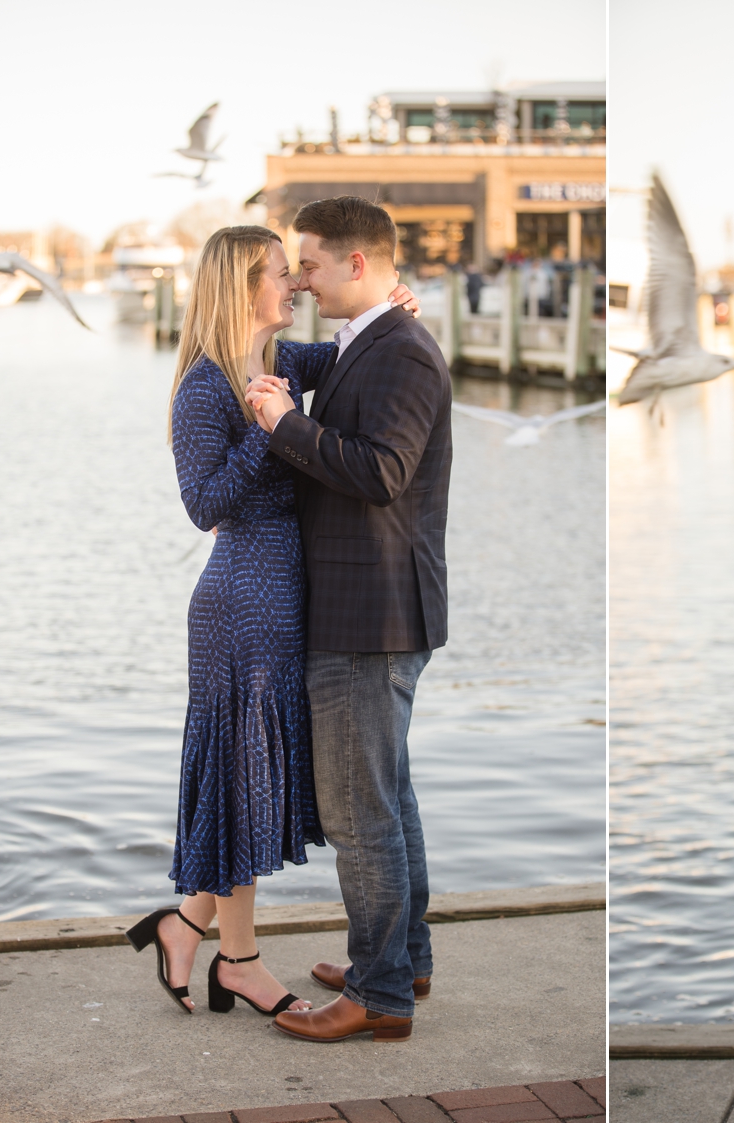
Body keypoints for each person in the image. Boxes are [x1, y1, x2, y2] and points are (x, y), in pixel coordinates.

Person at [126, 225, 418, 1020]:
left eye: (297, 273)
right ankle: (239, 960)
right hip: (241, 605)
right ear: (242, 284)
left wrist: (392, 308)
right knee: (240, 785)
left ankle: (189, 929)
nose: (294, 285)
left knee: (248, 786)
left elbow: (352, 352)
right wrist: (268, 432)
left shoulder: (282, 362)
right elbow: (202, 506)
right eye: (282, 275)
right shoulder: (203, 387)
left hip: (290, 604)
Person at [243, 195, 452, 1045]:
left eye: (311, 266)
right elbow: (294, 357)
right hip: (376, 604)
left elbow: (382, 472)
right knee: (388, 797)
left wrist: (282, 425)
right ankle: (405, 958)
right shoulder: (366, 342)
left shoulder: (399, 352)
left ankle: (379, 994)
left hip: (369, 613)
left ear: (357, 265)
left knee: (359, 811)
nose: (299, 279)